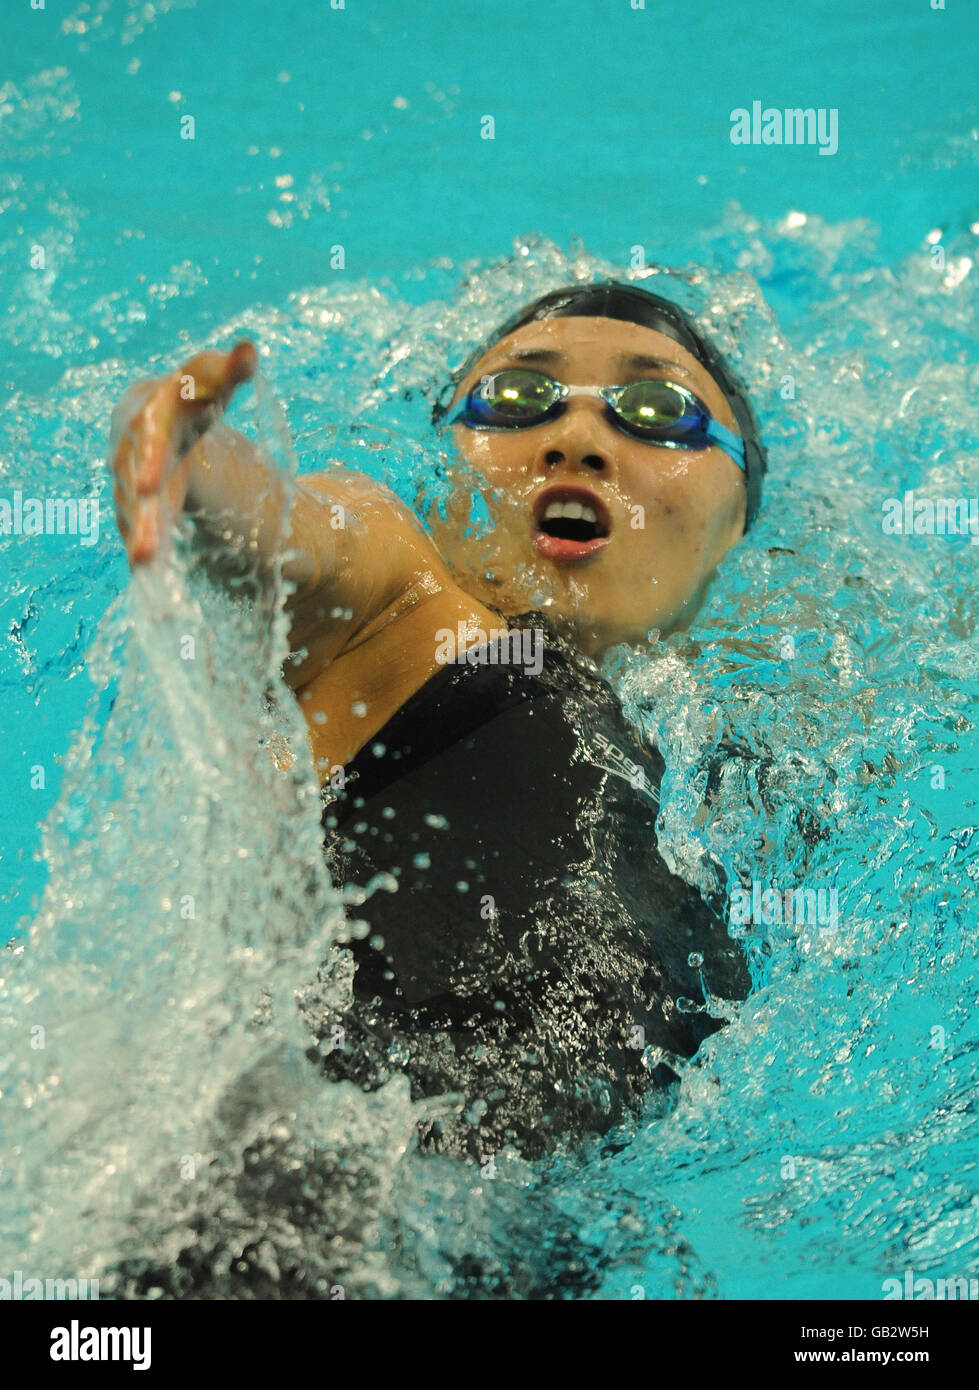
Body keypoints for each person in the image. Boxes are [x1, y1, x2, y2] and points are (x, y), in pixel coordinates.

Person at [109, 279, 768, 1165]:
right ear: (447, 464)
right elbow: (278, 526)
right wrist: (181, 453)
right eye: (515, 399)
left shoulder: (755, 743)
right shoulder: (398, 595)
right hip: (293, 1196)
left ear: (737, 516)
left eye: (656, 409)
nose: (575, 437)